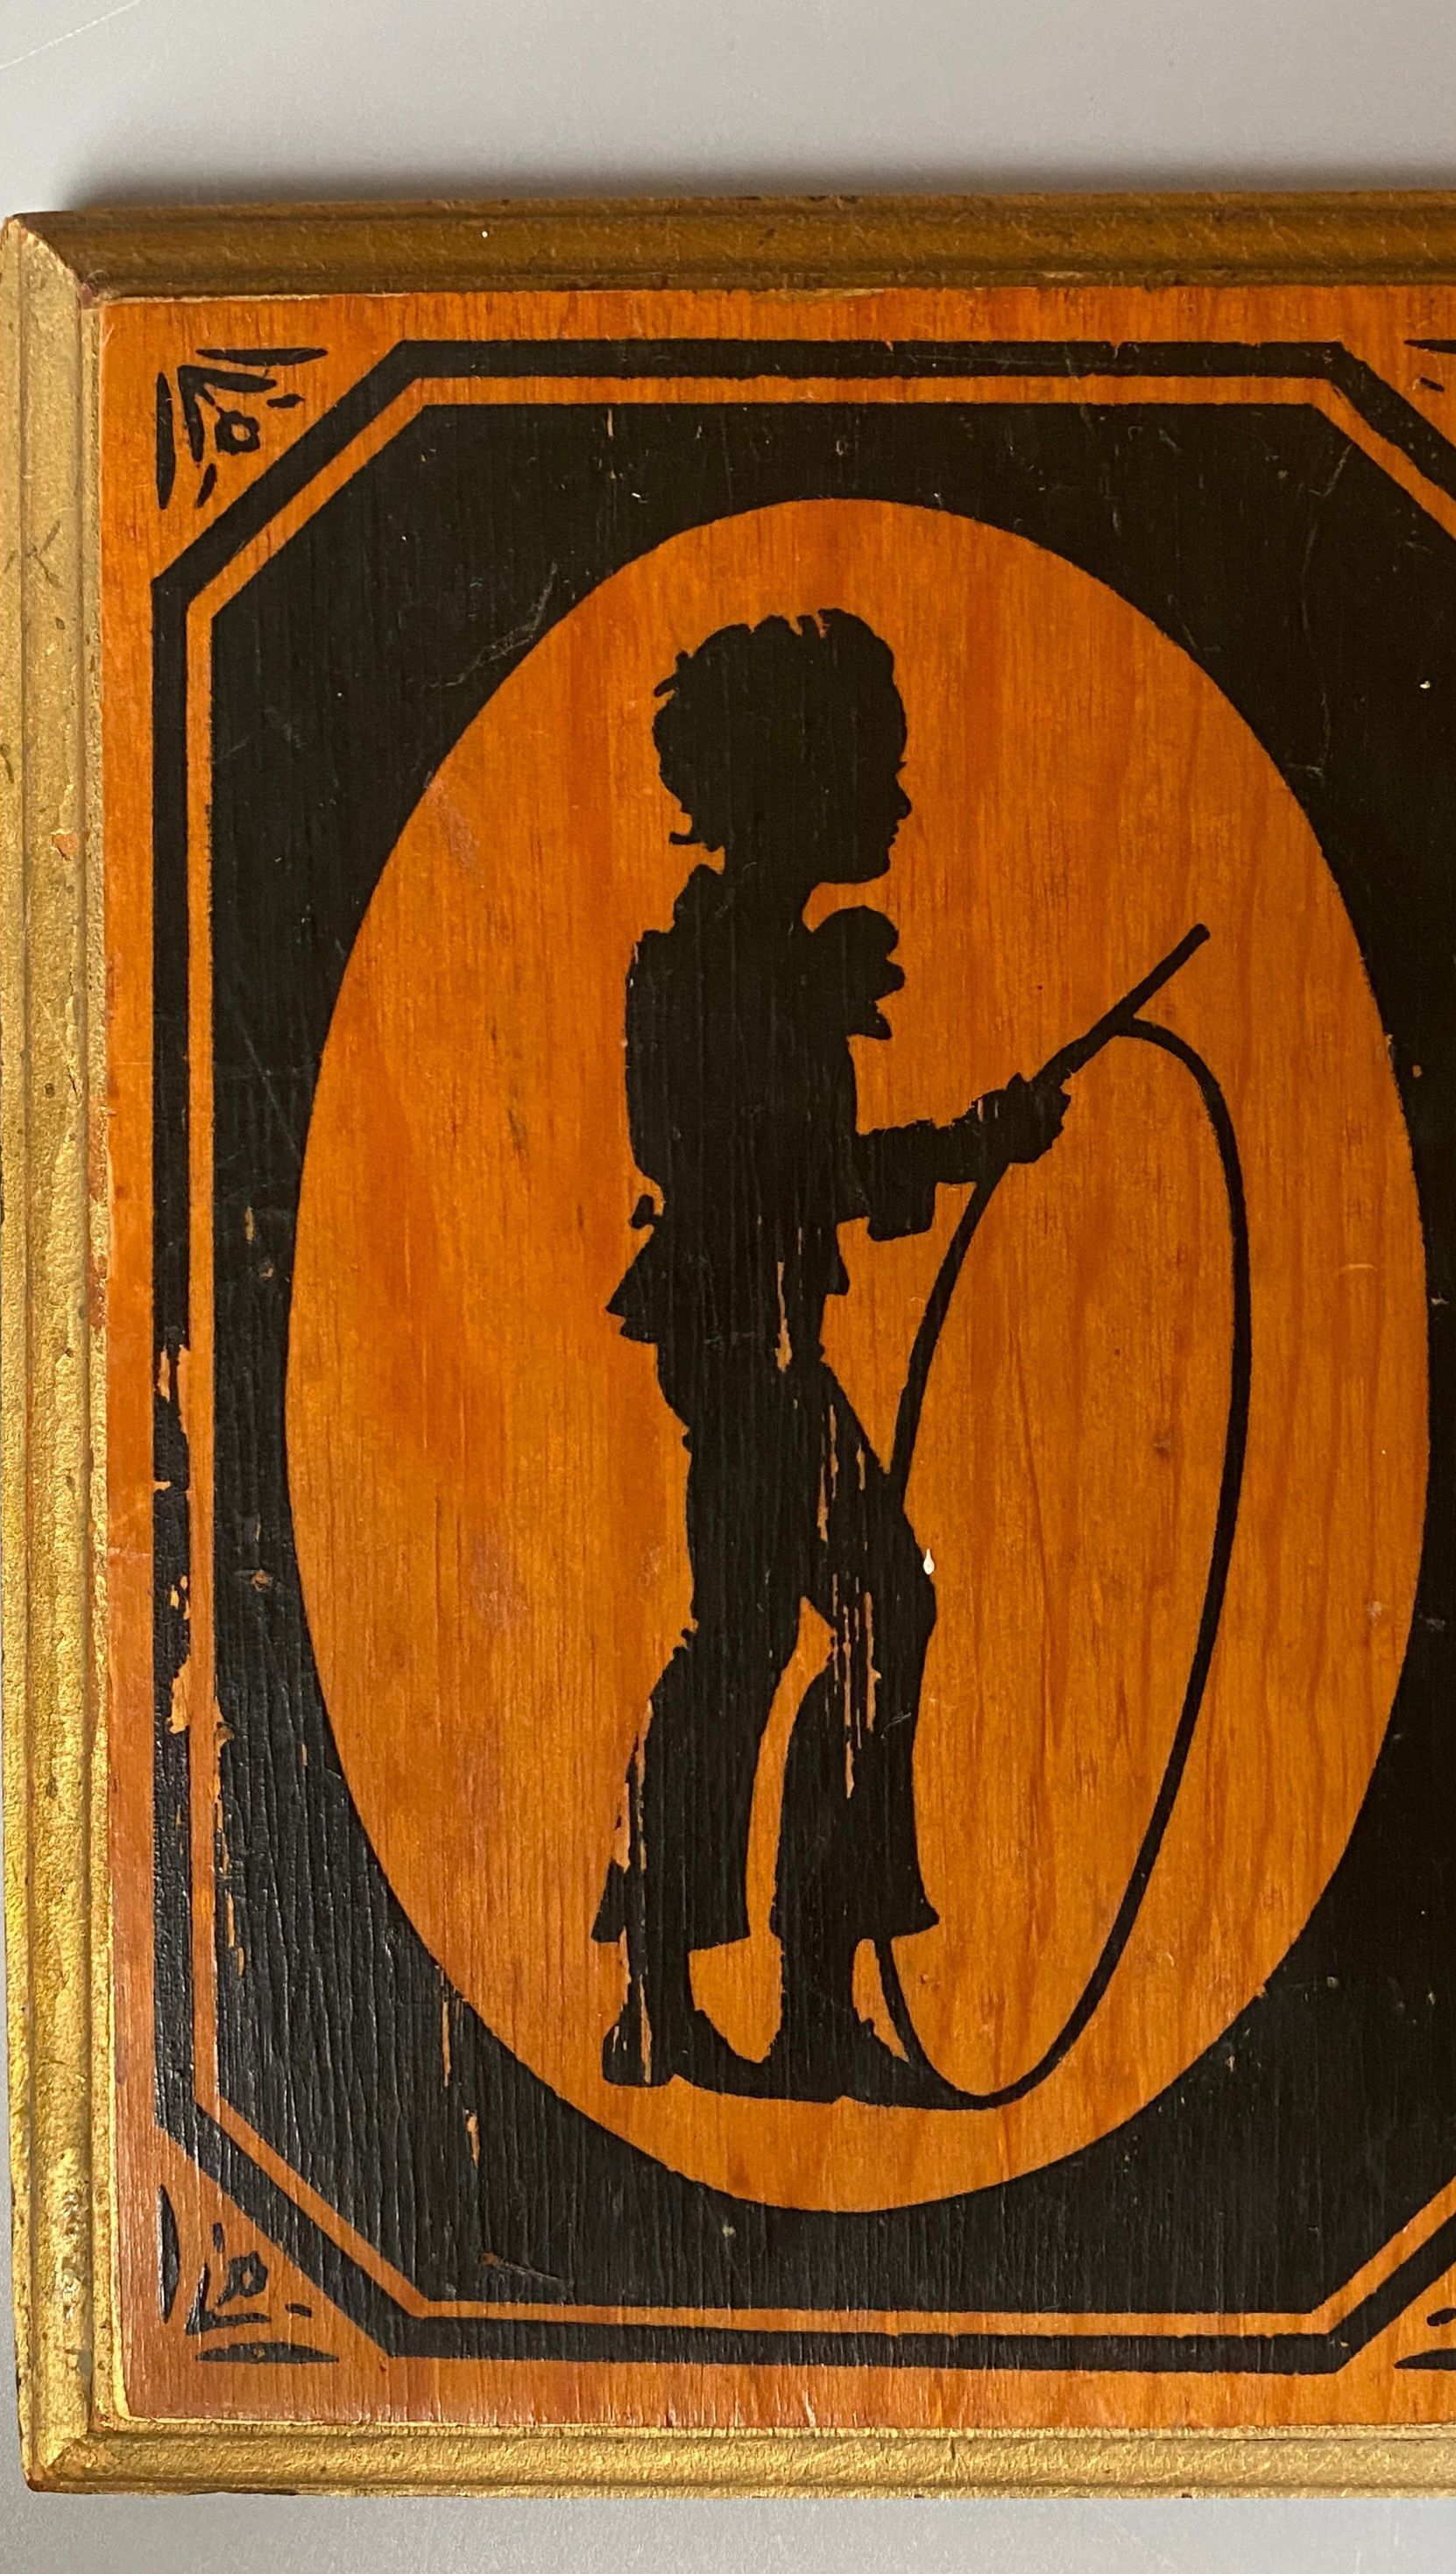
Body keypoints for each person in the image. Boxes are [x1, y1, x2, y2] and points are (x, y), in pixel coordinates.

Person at [592, 608, 1069, 2101]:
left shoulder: (762, 958)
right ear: (797, 782)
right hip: (741, 1351)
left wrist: (955, 1136)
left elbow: (800, 1168)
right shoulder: (699, 964)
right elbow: (746, 1170)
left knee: (795, 1629)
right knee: (838, 1618)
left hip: (764, 1344)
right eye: (876, 768)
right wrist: (954, 1144)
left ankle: (734, 2003)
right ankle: (749, 1999)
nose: (899, 799)